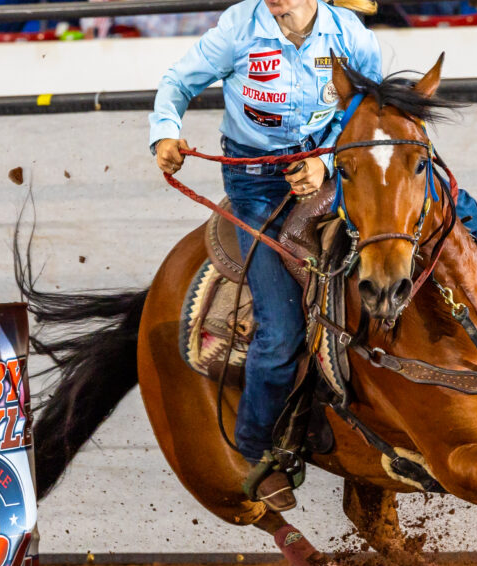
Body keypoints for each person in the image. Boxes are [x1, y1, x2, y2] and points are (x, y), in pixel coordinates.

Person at [149, 0, 382, 512]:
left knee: (404, 254)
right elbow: (179, 80)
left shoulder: (350, 35)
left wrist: (325, 163)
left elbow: (372, 110)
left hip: (330, 170)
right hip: (256, 188)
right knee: (280, 328)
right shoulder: (240, 27)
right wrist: (165, 130)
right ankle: (258, 450)